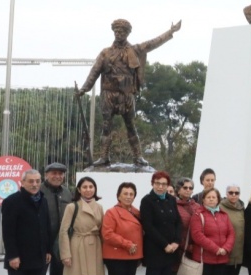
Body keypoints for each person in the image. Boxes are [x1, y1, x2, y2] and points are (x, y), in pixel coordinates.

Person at [76, 19, 182, 166]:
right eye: (117, 31)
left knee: (131, 125)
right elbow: (94, 72)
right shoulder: (105, 53)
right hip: (109, 94)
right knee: (106, 126)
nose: (119, 34)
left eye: (122, 32)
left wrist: (170, 32)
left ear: (127, 33)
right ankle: (104, 156)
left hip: (127, 95)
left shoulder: (135, 50)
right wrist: (84, 89)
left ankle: (137, 156)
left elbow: (153, 43)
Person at [2, 170, 51, 275]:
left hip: (37, 257)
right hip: (18, 259)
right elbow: (8, 232)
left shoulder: (42, 200)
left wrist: (48, 250)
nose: (35, 184)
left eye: (37, 181)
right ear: (22, 182)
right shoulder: (12, 202)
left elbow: (46, 228)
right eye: (31, 181)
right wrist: (12, 255)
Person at [59, 177, 106, 275]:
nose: (88, 189)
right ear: (79, 189)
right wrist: (66, 254)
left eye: (91, 186)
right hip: (77, 246)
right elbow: (64, 231)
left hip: (93, 247)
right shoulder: (72, 207)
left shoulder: (99, 207)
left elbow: (102, 230)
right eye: (84, 187)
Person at [141, 171, 181, 275]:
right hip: (155, 251)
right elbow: (148, 227)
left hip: (171, 251)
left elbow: (178, 222)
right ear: (152, 184)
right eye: (157, 183)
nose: (160, 186)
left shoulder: (171, 199)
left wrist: (176, 242)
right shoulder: (147, 201)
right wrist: (165, 244)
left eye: (164, 184)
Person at [189, 188, 235, 275]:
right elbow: (197, 235)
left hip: (221, 259)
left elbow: (231, 234)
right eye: (208, 197)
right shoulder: (198, 215)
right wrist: (216, 248)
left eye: (214, 197)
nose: (211, 199)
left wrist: (226, 248)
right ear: (203, 199)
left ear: (218, 199)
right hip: (204, 258)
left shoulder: (224, 215)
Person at [35, 162, 72, 275]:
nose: (57, 176)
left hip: (61, 244)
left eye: (61, 173)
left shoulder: (67, 192)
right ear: (46, 175)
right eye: (54, 173)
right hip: (42, 243)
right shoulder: (38, 191)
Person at [102, 182, 143, 275]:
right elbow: (107, 234)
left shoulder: (136, 212)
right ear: (119, 195)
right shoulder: (111, 212)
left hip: (132, 256)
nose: (128, 197)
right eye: (125, 193)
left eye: (131, 194)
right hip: (116, 256)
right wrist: (126, 244)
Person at [169, 177, 198, 275]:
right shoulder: (172, 204)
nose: (188, 190)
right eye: (185, 187)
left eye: (190, 188)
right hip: (177, 248)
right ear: (178, 189)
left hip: (192, 248)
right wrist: (180, 244)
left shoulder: (195, 206)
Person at [219, 184, 246, 275]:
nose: (234, 195)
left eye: (236, 193)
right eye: (231, 193)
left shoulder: (242, 208)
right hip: (225, 251)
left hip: (238, 251)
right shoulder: (220, 207)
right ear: (226, 194)